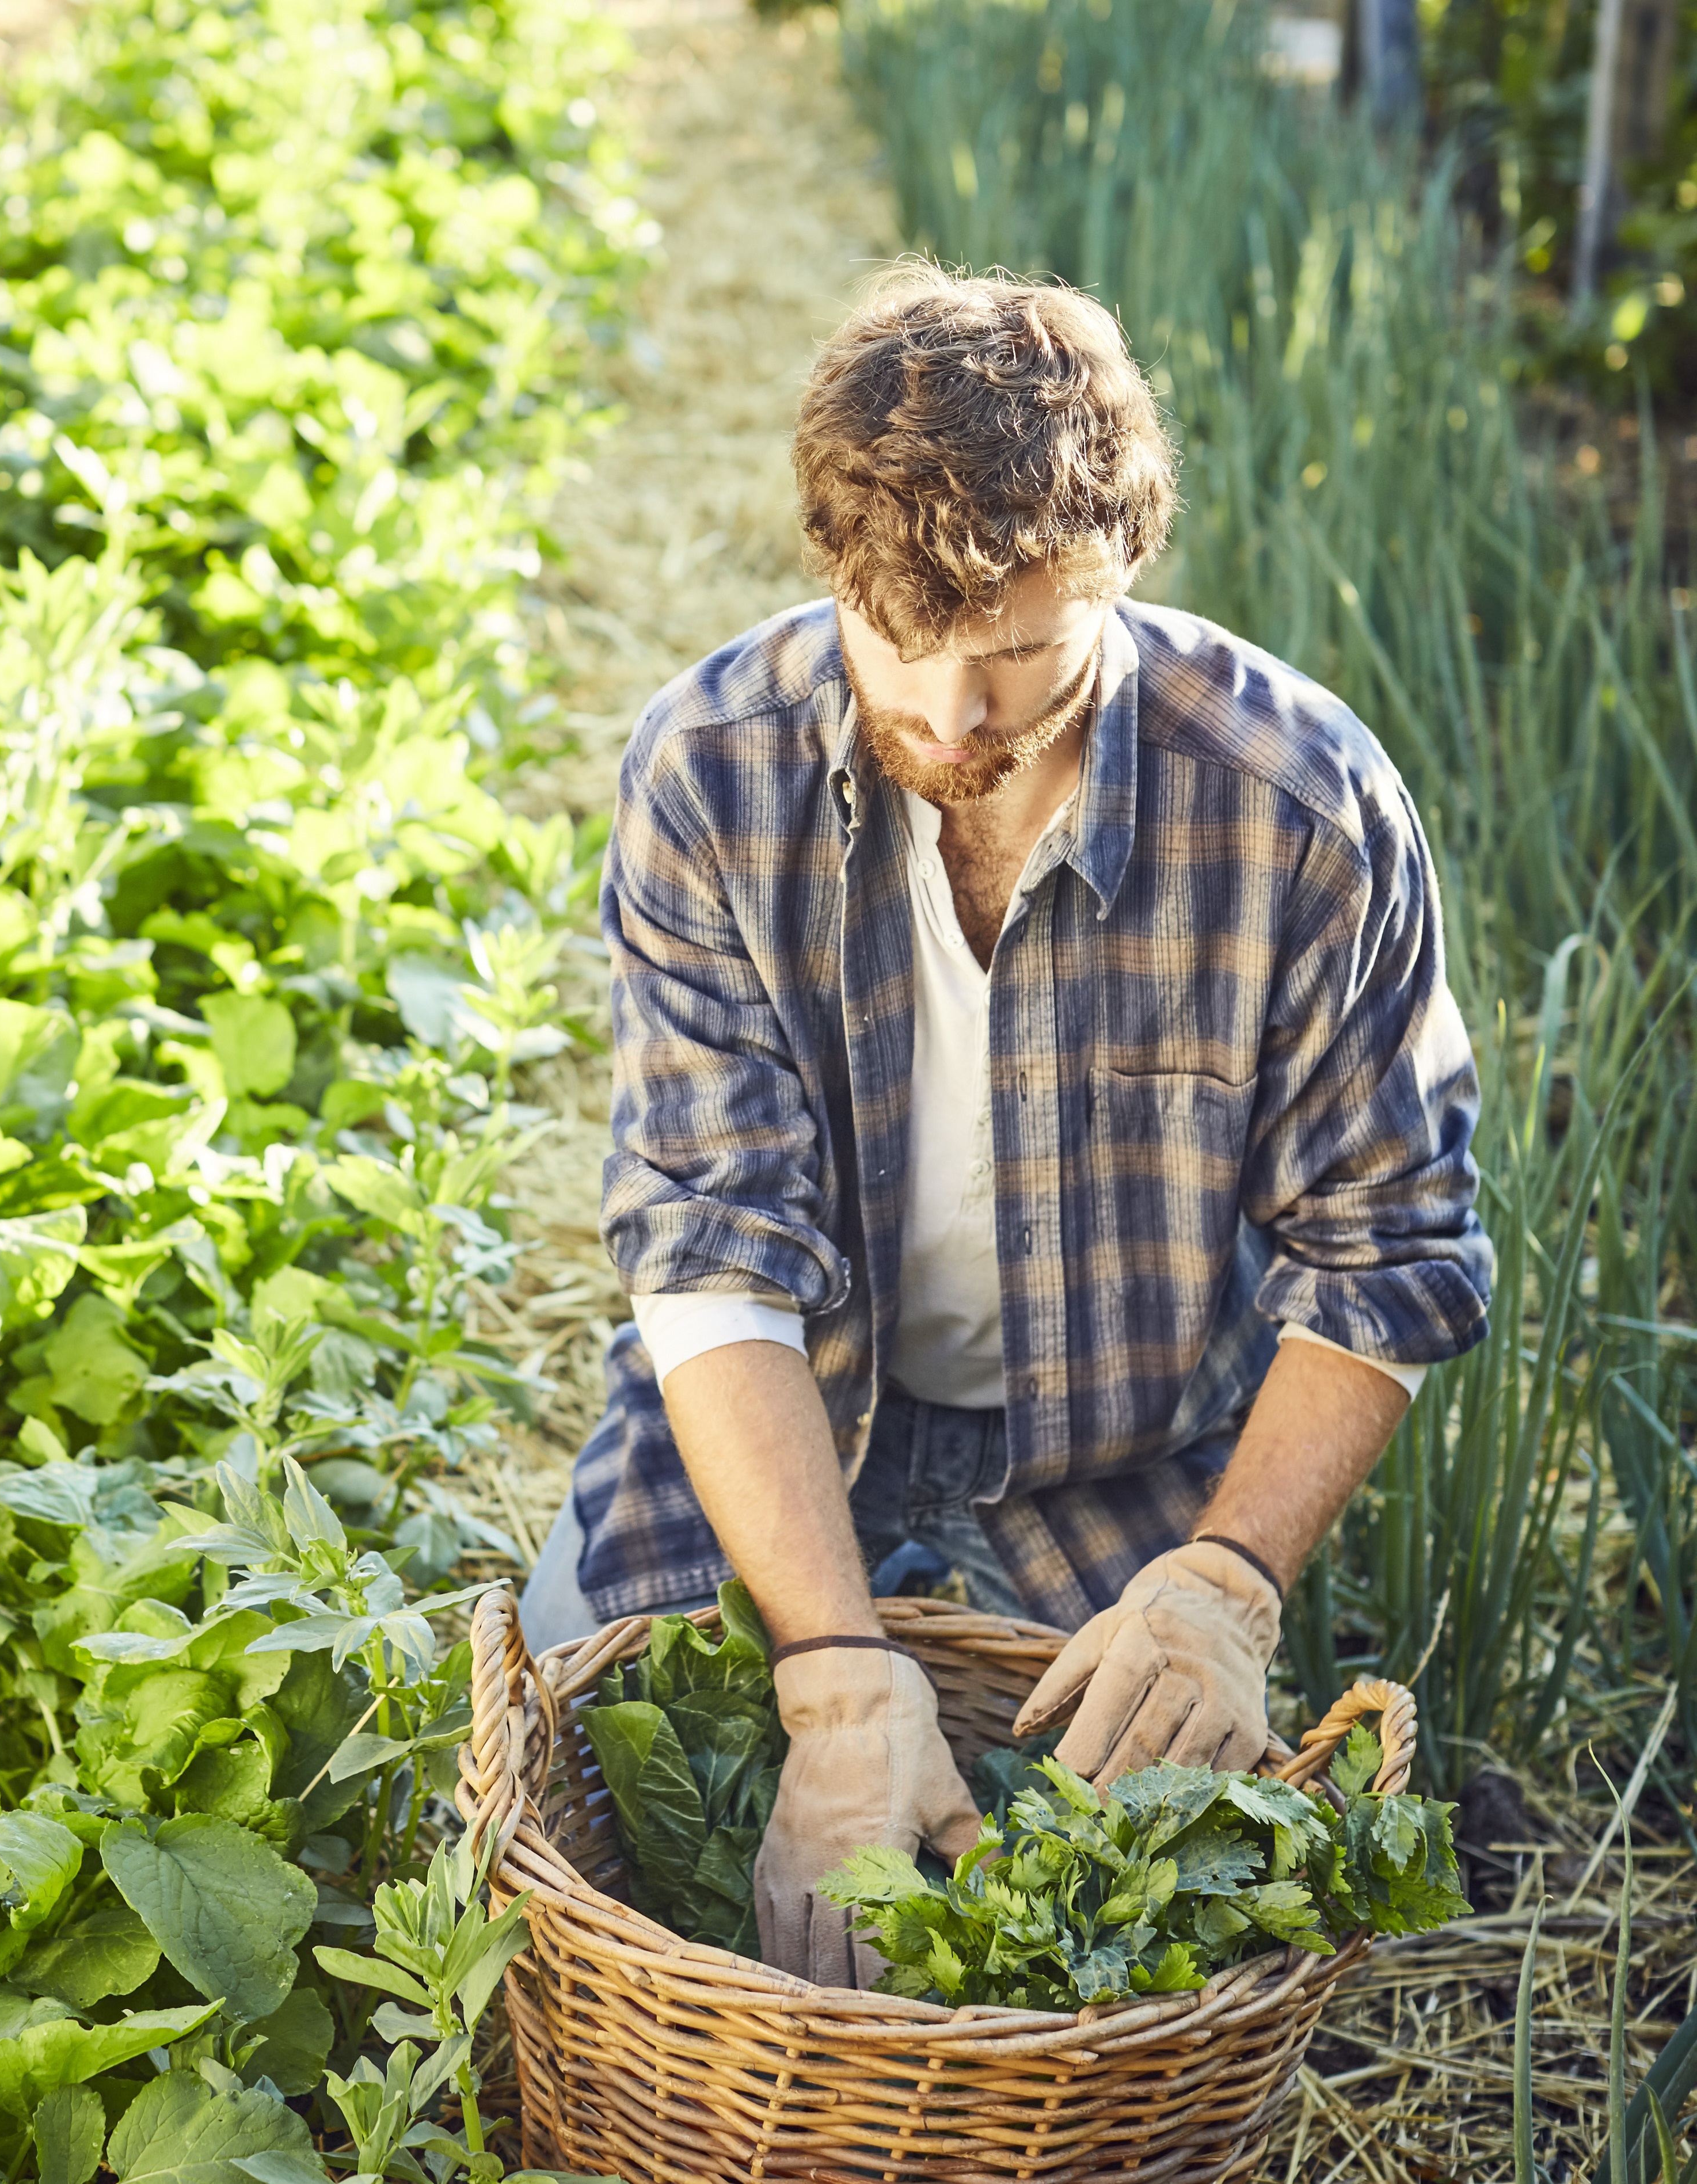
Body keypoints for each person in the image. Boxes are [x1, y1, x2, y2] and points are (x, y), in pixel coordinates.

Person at [516, 266, 1494, 1988]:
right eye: (903, 645)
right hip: (778, 1421)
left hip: (1119, 1470)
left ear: (1127, 566)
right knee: (603, 1785)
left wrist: (1226, 1586)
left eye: (1025, 649)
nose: (959, 716)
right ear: (834, 570)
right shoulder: (711, 774)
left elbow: (1391, 1250)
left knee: (1100, 1917)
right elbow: (709, 1258)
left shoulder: (1302, 808)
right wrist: (828, 1673)